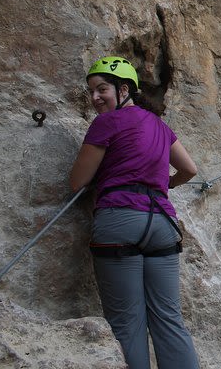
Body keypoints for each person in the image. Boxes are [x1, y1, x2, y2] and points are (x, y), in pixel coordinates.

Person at [69, 56, 200, 369]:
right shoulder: (159, 125)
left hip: (120, 221)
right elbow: (190, 169)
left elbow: (78, 182)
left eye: (102, 89)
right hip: (162, 224)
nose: (95, 97)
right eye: (91, 91)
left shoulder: (106, 123)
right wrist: (161, 184)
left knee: (127, 324)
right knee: (169, 319)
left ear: (124, 89)